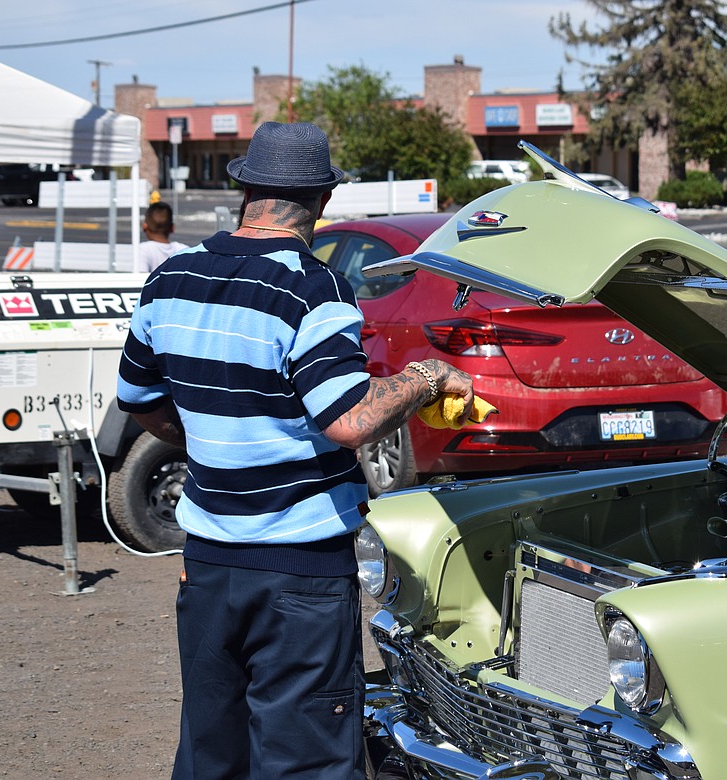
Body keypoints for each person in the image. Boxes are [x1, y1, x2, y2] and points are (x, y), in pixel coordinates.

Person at [116, 121, 474, 779]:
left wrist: (211, 441)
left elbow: (138, 399)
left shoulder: (171, 279)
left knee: (209, 749)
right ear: (322, 200)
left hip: (208, 564)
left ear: (245, 187)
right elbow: (349, 418)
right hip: (299, 573)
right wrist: (427, 377)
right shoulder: (313, 289)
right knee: (306, 757)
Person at [136, 201, 188, 273]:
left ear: (144, 227)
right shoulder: (184, 250)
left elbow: (141, 279)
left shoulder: (142, 250)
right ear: (172, 228)